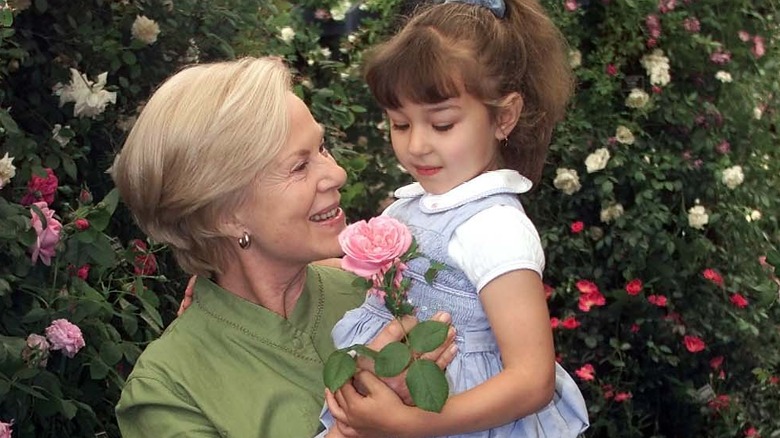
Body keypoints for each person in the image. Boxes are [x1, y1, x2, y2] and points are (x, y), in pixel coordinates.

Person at [111, 57, 456, 438]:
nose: (337, 174)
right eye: (299, 166)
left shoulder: (379, 293)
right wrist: (361, 421)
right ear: (224, 216)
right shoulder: (168, 388)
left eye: (322, 148)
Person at [322, 0, 590, 436]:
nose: (417, 146)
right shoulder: (413, 206)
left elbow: (532, 379)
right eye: (400, 124)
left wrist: (410, 422)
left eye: (442, 125)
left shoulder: (494, 227)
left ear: (504, 116)